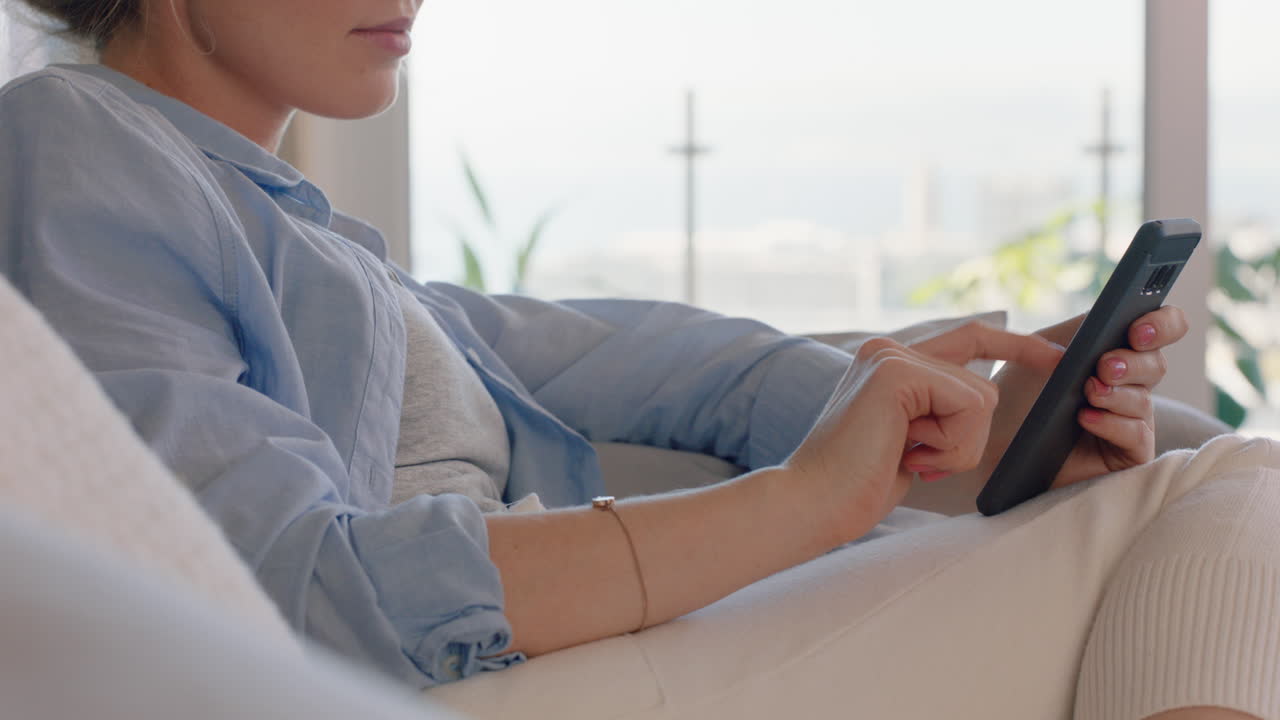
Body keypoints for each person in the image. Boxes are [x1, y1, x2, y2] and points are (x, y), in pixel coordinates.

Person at [0, 2, 1275, 719]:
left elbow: (663, 364)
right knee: (1220, 486)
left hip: (561, 676)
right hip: (459, 694)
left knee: (1176, 492)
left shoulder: (312, 241)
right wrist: (800, 506)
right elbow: (286, 589)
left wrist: (967, 419)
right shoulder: (76, 146)